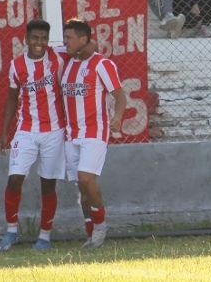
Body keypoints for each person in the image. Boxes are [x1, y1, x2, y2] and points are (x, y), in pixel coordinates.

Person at [0, 19, 68, 251]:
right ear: (26, 39)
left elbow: (86, 45)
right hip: (26, 130)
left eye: (44, 38)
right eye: (35, 38)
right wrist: (4, 132)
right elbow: (11, 98)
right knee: (15, 179)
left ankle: (44, 236)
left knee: (48, 184)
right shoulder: (16, 65)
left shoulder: (57, 58)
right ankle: (11, 232)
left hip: (54, 131)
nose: (39, 42)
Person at [61, 18, 127, 249]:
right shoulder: (67, 62)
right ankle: (90, 234)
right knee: (82, 187)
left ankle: (100, 225)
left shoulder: (102, 64)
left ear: (83, 39)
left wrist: (117, 117)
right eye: (64, 37)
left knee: (86, 178)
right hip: (71, 134)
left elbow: (120, 96)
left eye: (69, 38)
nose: (65, 42)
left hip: (94, 131)